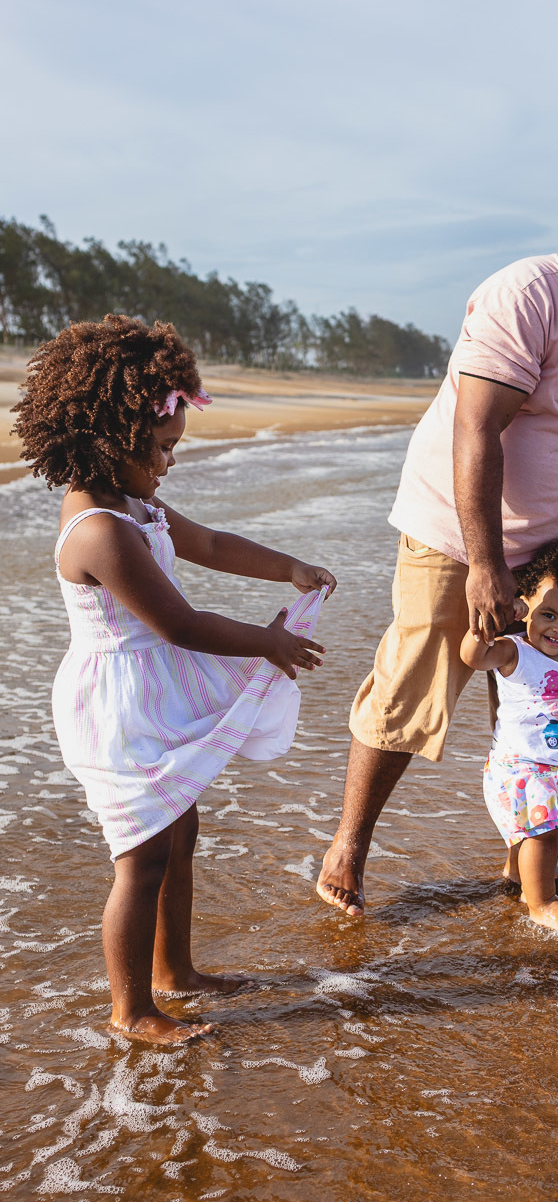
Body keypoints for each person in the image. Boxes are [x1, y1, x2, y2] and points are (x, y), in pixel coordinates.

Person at [316, 191, 558, 918]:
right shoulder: (527, 295)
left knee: (534, 707)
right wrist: (485, 562)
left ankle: (521, 862)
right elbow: (476, 428)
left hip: (557, 548)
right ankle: (349, 844)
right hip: (456, 531)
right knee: (412, 686)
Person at [12, 314, 336, 1044]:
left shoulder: (135, 502)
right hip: (117, 705)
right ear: (111, 437)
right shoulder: (98, 528)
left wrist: (287, 567)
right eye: (161, 448)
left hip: (152, 689)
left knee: (181, 830)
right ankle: (130, 1010)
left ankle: (175, 972)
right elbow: (180, 626)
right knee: (142, 853)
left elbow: (209, 543)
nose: (169, 463)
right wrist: (268, 641)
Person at [461, 542, 558, 933]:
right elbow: (473, 657)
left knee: (549, 830)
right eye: (548, 615)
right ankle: (540, 901)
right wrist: (487, 625)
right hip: (522, 767)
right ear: (523, 605)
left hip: (554, 766)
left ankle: (520, 876)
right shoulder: (515, 651)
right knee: (542, 833)